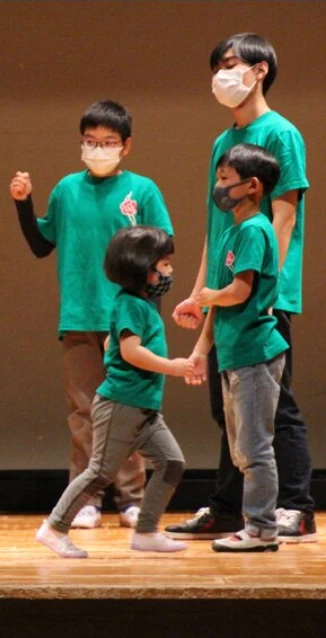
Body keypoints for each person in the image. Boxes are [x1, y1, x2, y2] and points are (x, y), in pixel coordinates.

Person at [168, 34, 315, 543]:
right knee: (228, 407)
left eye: (231, 64)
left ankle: (294, 506)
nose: (221, 75)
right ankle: (230, 506)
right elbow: (218, 230)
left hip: (260, 293)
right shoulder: (221, 143)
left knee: (274, 404)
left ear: (260, 70)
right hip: (225, 293)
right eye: (216, 66)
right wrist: (198, 290)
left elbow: (286, 213)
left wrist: (260, 285)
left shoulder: (282, 134)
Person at [10, 100, 174, 529]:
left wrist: (148, 316)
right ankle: (86, 499)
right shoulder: (66, 189)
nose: (98, 149)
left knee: (130, 410)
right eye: (90, 141)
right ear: (80, 142)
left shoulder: (143, 191)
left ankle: (132, 498)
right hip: (80, 317)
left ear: (126, 146)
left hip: (130, 321)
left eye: (108, 142)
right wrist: (23, 205)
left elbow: (162, 253)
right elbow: (42, 244)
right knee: (85, 412)